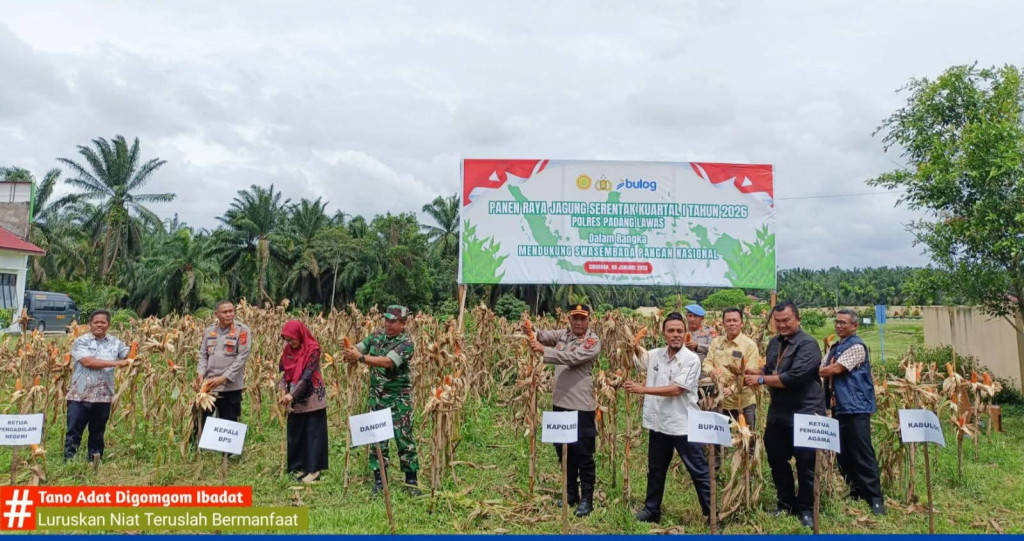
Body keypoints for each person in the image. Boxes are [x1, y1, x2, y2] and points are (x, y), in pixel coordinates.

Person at [743, 301, 824, 529]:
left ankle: (807, 509)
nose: (782, 325)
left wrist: (759, 380)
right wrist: (756, 372)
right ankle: (786, 503)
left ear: (797, 318)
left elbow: (793, 378)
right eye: (777, 321)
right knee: (777, 460)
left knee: (806, 464)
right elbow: (771, 370)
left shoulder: (808, 345)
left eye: (786, 320)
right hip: (779, 413)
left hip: (805, 412)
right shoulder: (774, 343)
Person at [625, 311, 712, 524]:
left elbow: (677, 389)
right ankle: (651, 510)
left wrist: (642, 389)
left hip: (682, 424)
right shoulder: (655, 355)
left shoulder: (691, 360)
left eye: (679, 331)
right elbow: (634, 360)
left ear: (685, 334)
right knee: (655, 470)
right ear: (663, 333)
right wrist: (631, 344)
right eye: (671, 331)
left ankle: (712, 514)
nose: (675, 335)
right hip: (658, 423)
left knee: (698, 470)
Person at [528, 304, 600, 517]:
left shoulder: (592, 341)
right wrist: (529, 329)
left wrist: (544, 351)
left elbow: (572, 358)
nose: (578, 322)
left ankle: (587, 499)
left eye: (582, 318)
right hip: (560, 402)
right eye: (574, 318)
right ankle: (570, 493)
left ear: (589, 321)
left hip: (582, 405)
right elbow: (541, 334)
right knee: (563, 450)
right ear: (569, 319)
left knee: (584, 454)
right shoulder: (563, 335)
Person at [342, 304, 420, 495]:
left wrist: (360, 358)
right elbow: (361, 346)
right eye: (386, 320)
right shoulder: (377, 335)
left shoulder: (406, 343)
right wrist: (348, 349)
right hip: (377, 399)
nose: (388, 324)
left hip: (398, 400)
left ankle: (411, 482)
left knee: (404, 439)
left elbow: (387, 362)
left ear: (403, 323)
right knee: (377, 441)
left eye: (393, 321)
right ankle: (379, 481)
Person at [820, 309, 885, 515]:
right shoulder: (835, 346)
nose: (838, 326)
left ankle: (875, 498)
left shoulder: (857, 346)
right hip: (838, 406)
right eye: (836, 322)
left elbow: (835, 369)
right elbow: (823, 365)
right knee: (843, 452)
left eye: (843, 323)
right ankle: (856, 490)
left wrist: (804, 371)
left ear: (854, 326)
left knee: (862, 451)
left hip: (856, 407)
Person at [64, 310, 133, 461]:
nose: (99, 325)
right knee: (74, 431)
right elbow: (88, 362)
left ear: (109, 324)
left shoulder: (115, 343)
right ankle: (70, 461)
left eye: (103, 322)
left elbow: (129, 355)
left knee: (97, 432)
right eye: (96, 322)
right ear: (90, 324)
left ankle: (95, 460)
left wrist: (138, 347)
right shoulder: (81, 341)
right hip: (80, 395)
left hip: (103, 396)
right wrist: (116, 363)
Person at [279, 320, 329, 484]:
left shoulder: (313, 350)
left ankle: (314, 471)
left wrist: (291, 395)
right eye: (287, 340)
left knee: (312, 433)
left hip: (312, 396)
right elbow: (283, 372)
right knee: (296, 431)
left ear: (300, 335)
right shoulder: (288, 351)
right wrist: (283, 390)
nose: (290, 343)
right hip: (293, 398)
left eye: (292, 339)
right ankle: (299, 466)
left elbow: (307, 376)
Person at [704, 307, 761, 427]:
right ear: (723, 323)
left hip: (743, 403)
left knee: (747, 439)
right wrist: (711, 371)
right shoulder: (716, 342)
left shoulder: (750, 345)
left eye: (735, 320)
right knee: (719, 441)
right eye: (728, 321)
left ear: (742, 323)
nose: (732, 324)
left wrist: (732, 388)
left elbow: (749, 373)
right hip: (720, 401)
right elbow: (707, 362)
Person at [197, 300, 252, 424]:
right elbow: (203, 354)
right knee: (202, 424)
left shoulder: (242, 331)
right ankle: (200, 444)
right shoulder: (210, 331)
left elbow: (242, 357)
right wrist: (201, 373)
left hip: (230, 388)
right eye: (225, 312)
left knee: (228, 425)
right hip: (208, 387)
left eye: (231, 311)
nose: (229, 314)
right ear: (217, 314)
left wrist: (224, 378)